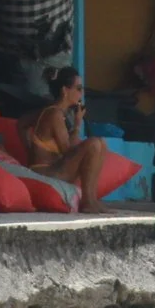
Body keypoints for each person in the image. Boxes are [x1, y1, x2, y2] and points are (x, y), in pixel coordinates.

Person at [25, 67, 108, 212]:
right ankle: (87, 201)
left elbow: (22, 123)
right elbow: (67, 151)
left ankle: (92, 199)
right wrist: (77, 126)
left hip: (55, 167)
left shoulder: (56, 112)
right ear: (65, 91)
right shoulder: (54, 113)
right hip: (46, 171)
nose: (81, 93)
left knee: (100, 142)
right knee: (94, 144)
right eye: (78, 88)